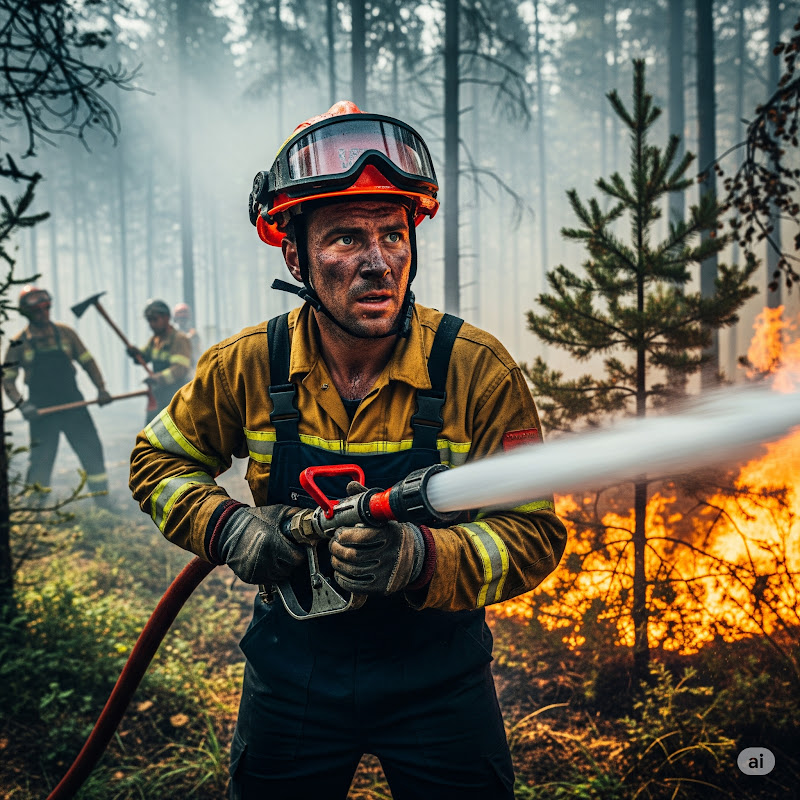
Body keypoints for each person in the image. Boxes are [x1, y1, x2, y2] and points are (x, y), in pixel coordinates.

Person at [129, 101, 567, 799]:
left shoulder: (476, 370)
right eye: (344, 238)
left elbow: (534, 533)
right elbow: (157, 461)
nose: (376, 261)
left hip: (440, 683)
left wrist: (423, 558)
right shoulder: (247, 365)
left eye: (393, 234)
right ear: (294, 253)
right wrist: (230, 526)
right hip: (292, 673)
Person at [3, 286, 112, 503]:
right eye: (37, 310)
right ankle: (35, 507)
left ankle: (102, 502)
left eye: (46, 308)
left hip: (73, 404)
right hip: (41, 411)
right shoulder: (18, 342)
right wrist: (22, 405)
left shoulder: (66, 333)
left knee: (92, 451)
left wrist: (101, 388)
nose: (43, 313)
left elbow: (88, 362)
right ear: (26, 312)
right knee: (40, 461)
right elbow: (7, 380)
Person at [127, 299, 192, 421]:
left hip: (175, 396)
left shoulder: (179, 339)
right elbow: (144, 357)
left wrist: (158, 378)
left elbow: (181, 369)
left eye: (155, 319)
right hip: (158, 395)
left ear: (166, 318)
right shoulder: (155, 340)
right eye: (149, 320)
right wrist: (136, 353)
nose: (152, 324)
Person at [173, 302, 201, 371]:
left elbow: (197, 352)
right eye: (180, 318)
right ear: (176, 318)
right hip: (174, 369)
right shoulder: (171, 333)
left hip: (189, 369)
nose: (182, 321)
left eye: (183, 319)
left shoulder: (193, 334)